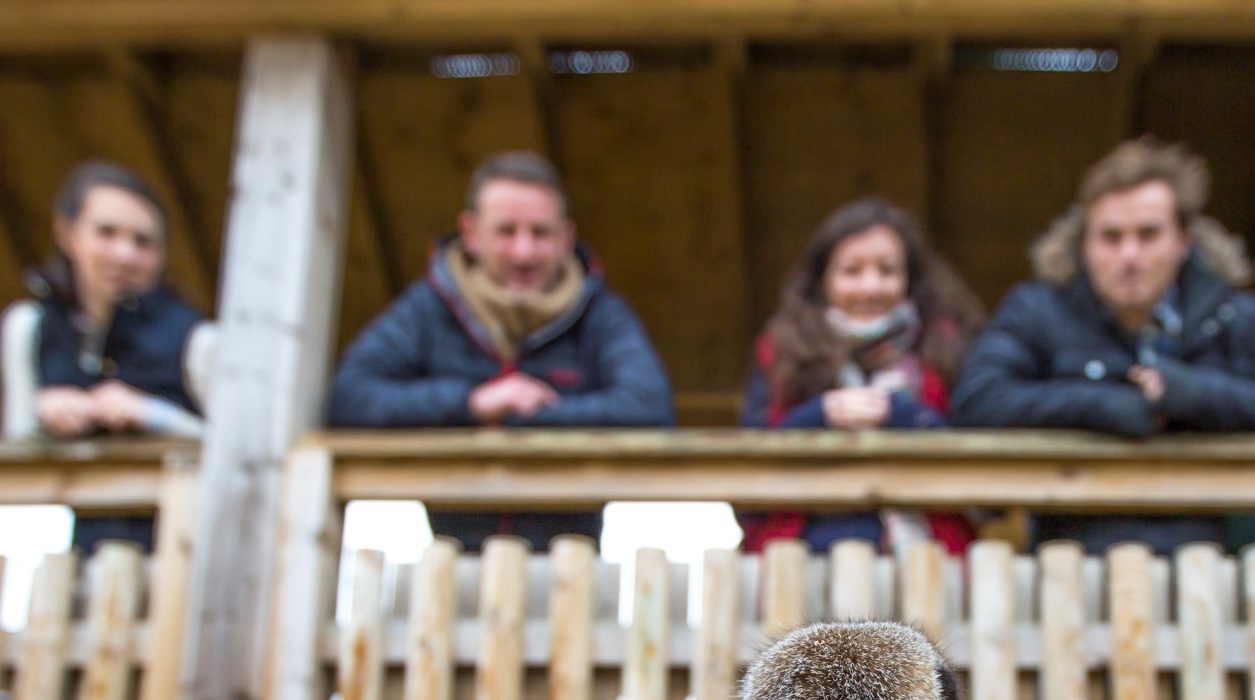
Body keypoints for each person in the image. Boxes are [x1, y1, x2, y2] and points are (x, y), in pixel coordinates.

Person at [952, 137, 1255, 553]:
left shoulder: (1235, 313)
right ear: (1084, 244)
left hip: (1210, 557)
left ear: (1183, 240)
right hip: (1075, 557)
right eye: (1111, 237)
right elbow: (977, 398)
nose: (1129, 255)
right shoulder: (1036, 309)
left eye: (1148, 235)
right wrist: (1105, 406)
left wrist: (1186, 393)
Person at [325, 151, 675, 545]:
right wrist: (472, 404)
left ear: (566, 238)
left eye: (540, 233)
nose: (523, 252)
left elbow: (649, 406)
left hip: (570, 572)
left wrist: (527, 416)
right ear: (471, 233)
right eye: (506, 231)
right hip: (451, 569)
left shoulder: (601, 315)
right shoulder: (427, 309)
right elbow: (350, 397)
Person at [738, 199, 985, 555]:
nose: (870, 287)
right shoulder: (781, 351)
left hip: (929, 559)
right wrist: (821, 414)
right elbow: (750, 462)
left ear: (909, 279)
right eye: (852, 271)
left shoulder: (947, 347)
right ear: (823, 279)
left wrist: (897, 415)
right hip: (802, 558)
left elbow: (975, 455)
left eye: (887, 271)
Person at [0, 161, 214, 554]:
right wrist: (44, 413)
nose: (125, 254)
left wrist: (153, 415)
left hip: (179, 555)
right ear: (67, 233)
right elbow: (14, 441)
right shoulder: (28, 328)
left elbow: (240, 451)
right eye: (107, 233)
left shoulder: (197, 341)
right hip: (73, 554)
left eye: (143, 242)